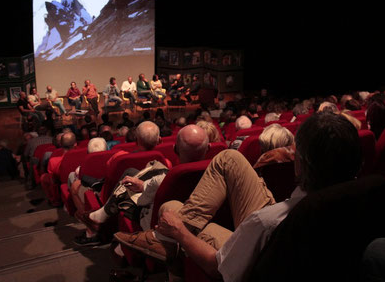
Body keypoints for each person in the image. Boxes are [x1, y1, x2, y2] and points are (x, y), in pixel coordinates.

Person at [114, 112, 363, 282]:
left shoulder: (264, 223)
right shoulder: (367, 196)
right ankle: (162, 237)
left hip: (266, 249)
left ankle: (164, 237)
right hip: (298, 212)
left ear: (299, 164)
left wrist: (180, 232)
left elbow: (218, 267)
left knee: (170, 207)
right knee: (228, 159)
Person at [74, 124, 210, 246]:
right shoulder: (214, 174)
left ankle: (99, 218)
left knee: (126, 187)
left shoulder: (168, 179)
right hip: (196, 218)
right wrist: (144, 184)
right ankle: (100, 214)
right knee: (132, 172)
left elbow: (143, 199)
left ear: (175, 149)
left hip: (154, 219)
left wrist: (143, 186)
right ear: (209, 148)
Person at [70, 121, 163, 239]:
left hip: (114, 199)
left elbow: (108, 185)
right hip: (147, 202)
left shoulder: (120, 159)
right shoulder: (165, 162)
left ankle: (93, 228)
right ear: (160, 140)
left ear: (136, 140)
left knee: (76, 184)